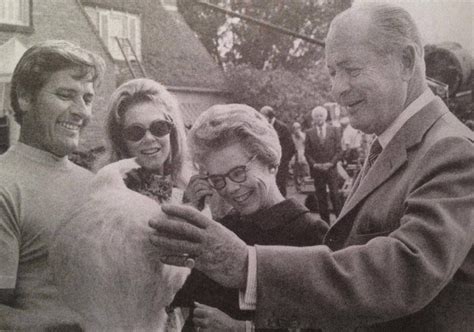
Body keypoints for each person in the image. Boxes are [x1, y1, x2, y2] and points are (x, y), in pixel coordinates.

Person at [149, 3, 474, 331]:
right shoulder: (394, 145)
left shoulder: (452, 150)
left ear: (405, 61)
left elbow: (408, 269)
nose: (338, 88)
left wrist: (250, 267)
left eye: (351, 69)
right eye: (333, 73)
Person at [167, 104, 328, 331]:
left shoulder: (311, 234)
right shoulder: (222, 230)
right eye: (218, 179)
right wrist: (189, 211)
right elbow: (175, 294)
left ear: (269, 160)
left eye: (238, 172)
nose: (231, 188)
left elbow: (322, 322)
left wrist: (243, 329)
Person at [49, 78, 193, 330]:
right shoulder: (103, 198)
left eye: (159, 127)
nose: (149, 139)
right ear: (121, 140)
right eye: (135, 132)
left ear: (173, 131)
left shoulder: (188, 191)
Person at [0, 40, 105, 330]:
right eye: (65, 94)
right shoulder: (5, 185)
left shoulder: (97, 186)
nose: (81, 111)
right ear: (24, 97)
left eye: (87, 98)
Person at [305, 105, 343, 223]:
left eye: (321, 115)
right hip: (317, 171)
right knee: (321, 198)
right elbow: (307, 152)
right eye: (316, 116)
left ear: (325, 117)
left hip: (331, 169)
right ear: (314, 118)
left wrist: (331, 164)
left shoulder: (334, 130)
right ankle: (325, 224)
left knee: (335, 196)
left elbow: (339, 150)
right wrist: (314, 164)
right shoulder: (309, 133)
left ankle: (340, 222)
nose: (319, 118)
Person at [260, 105, 296, 197]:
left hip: (281, 164)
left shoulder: (282, 128)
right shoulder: (262, 127)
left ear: (269, 117)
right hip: (267, 163)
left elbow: (290, 147)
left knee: (280, 187)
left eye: (262, 115)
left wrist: (282, 161)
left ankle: (283, 209)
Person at [291, 121, 309, 192]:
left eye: (298, 127)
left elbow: (306, 144)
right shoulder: (292, 137)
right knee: (296, 173)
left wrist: (301, 135)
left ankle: (307, 187)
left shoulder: (304, 135)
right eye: (295, 128)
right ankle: (298, 188)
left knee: (306, 171)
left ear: (300, 128)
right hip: (295, 155)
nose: (296, 129)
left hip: (303, 154)